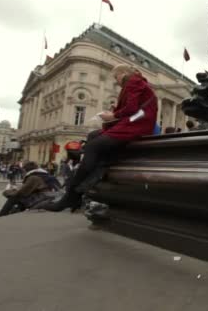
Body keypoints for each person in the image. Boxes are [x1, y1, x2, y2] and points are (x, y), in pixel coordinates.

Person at [44, 64, 158, 212]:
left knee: (93, 146)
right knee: (92, 136)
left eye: (115, 77)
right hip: (135, 122)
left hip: (137, 125)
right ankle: (78, 191)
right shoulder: (137, 82)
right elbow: (133, 108)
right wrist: (114, 112)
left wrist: (112, 115)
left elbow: (132, 109)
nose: (116, 81)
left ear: (122, 73)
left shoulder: (132, 80)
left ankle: (71, 197)